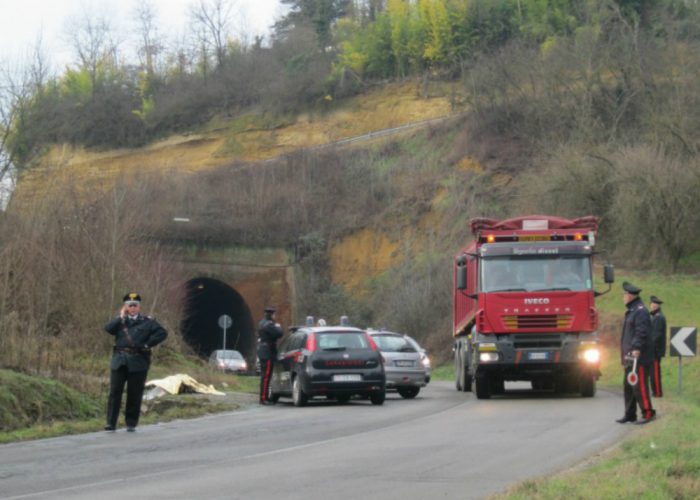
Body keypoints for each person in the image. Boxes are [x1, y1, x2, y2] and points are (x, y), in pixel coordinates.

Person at [104, 292, 168, 432]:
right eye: (129, 305)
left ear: (139, 307)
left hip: (138, 361)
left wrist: (148, 344)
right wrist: (121, 316)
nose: (132, 308)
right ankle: (111, 422)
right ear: (125, 306)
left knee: (134, 393)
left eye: (135, 305)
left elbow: (162, 333)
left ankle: (131, 423)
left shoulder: (148, 321)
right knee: (115, 392)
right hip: (120, 359)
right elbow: (108, 329)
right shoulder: (120, 321)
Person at [617, 282, 655, 425]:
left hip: (638, 357)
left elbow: (641, 332)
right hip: (629, 357)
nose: (623, 297)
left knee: (639, 386)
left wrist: (636, 348)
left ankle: (648, 413)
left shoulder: (640, 311)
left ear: (630, 295)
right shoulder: (632, 310)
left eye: (624, 295)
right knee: (628, 386)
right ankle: (630, 414)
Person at [257, 306, 283, 405]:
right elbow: (279, 333)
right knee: (266, 376)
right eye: (274, 314)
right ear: (271, 315)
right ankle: (263, 398)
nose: (275, 316)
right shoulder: (269, 325)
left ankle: (264, 397)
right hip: (268, 352)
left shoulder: (262, 323)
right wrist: (278, 326)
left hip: (263, 351)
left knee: (265, 376)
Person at [649, 295, 667, 397]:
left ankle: (658, 392)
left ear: (658, 306)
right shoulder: (654, 316)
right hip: (653, 350)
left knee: (655, 372)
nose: (653, 306)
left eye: (655, 304)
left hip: (655, 350)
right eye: (652, 304)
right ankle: (655, 391)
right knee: (653, 372)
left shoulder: (659, 317)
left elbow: (656, 335)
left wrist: (649, 346)